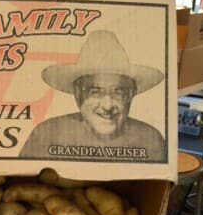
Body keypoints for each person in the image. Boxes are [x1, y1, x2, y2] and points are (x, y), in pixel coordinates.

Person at [19, 30, 166, 162]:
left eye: (118, 92)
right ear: (77, 94)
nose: (107, 105)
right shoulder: (47, 134)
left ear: (131, 95)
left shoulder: (150, 140)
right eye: (95, 92)